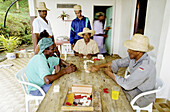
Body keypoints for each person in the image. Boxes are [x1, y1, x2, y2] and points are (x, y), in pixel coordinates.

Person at [88, 34, 156, 107]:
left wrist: (109, 73)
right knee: (107, 90)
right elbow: (117, 62)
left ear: (139, 51)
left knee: (110, 99)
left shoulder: (145, 66)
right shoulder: (134, 57)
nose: (128, 50)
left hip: (141, 95)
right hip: (133, 87)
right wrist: (98, 66)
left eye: (130, 49)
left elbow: (127, 85)